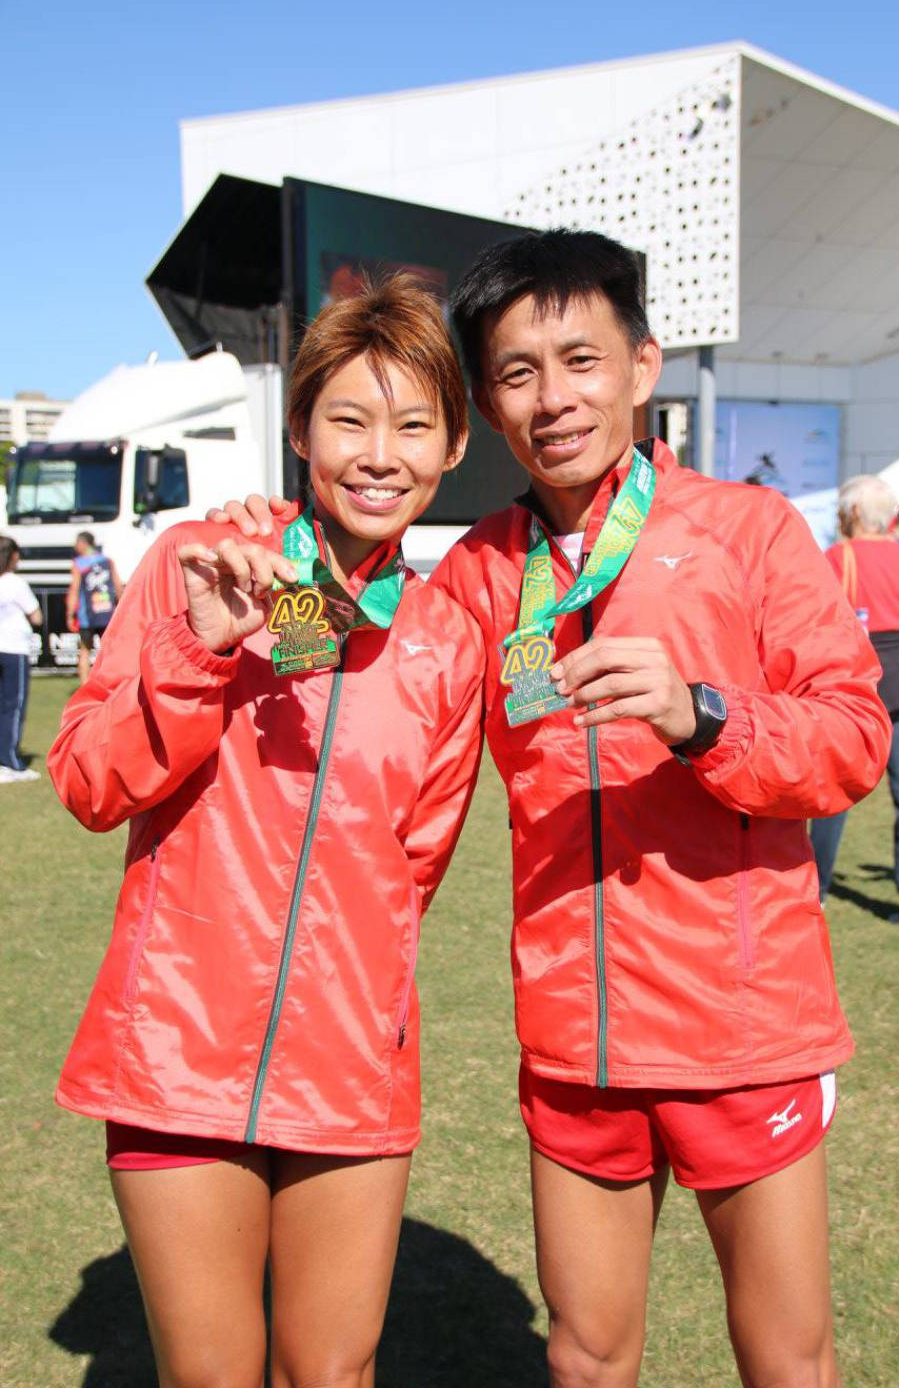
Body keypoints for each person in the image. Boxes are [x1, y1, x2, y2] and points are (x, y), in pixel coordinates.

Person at [214, 229, 891, 1388]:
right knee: (581, 1357)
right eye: (518, 372)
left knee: (788, 1359)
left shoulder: (749, 532)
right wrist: (256, 590)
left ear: (643, 365)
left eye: (580, 360)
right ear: (489, 397)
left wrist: (704, 717)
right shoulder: (483, 568)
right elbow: (367, 647)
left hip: (744, 1024)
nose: (554, 398)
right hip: (575, 1041)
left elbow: (854, 738)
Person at [47, 277, 484, 1388]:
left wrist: (358, 986)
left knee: (334, 1375)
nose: (379, 453)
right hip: (176, 1049)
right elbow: (90, 782)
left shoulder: (447, 639)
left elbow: (415, 863)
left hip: (350, 1064)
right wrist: (200, 648)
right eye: (348, 418)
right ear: (298, 430)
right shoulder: (201, 560)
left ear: (453, 445)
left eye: (413, 424)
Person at [810, 475, 899, 933]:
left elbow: (821, 628)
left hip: (858, 683)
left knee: (833, 797)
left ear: (850, 513)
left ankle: (815, 894)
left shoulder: (835, 558)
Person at [0, 535, 43, 783]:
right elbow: (36, 616)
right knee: (14, 705)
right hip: (13, 649)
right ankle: (11, 763)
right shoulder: (15, 583)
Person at [66, 530, 123, 684]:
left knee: (84, 651)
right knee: (109, 651)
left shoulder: (79, 563)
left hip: (88, 616)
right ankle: (111, 684)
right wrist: (122, 606)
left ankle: (85, 687)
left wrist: (70, 613)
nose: (75, 547)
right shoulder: (107, 561)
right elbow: (118, 586)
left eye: (77, 543)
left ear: (84, 543)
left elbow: (75, 589)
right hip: (107, 613)